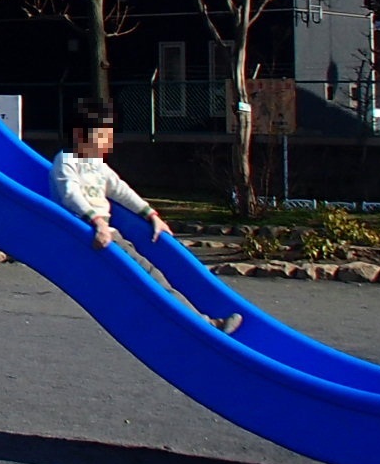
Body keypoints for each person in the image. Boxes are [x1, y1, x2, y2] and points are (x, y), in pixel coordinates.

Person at [51, 99, 243, 335]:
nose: (109, 142)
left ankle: (200, 322)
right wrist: (97, 221)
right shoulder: (66, 162)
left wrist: (151, 214)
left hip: (108, 236)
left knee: (153, 277)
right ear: (81, 135)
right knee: (152, 281)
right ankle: (204, 325)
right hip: (90, 236)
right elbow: (70, 195)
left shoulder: (96, 165)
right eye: (103, 136)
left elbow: (121, 190)